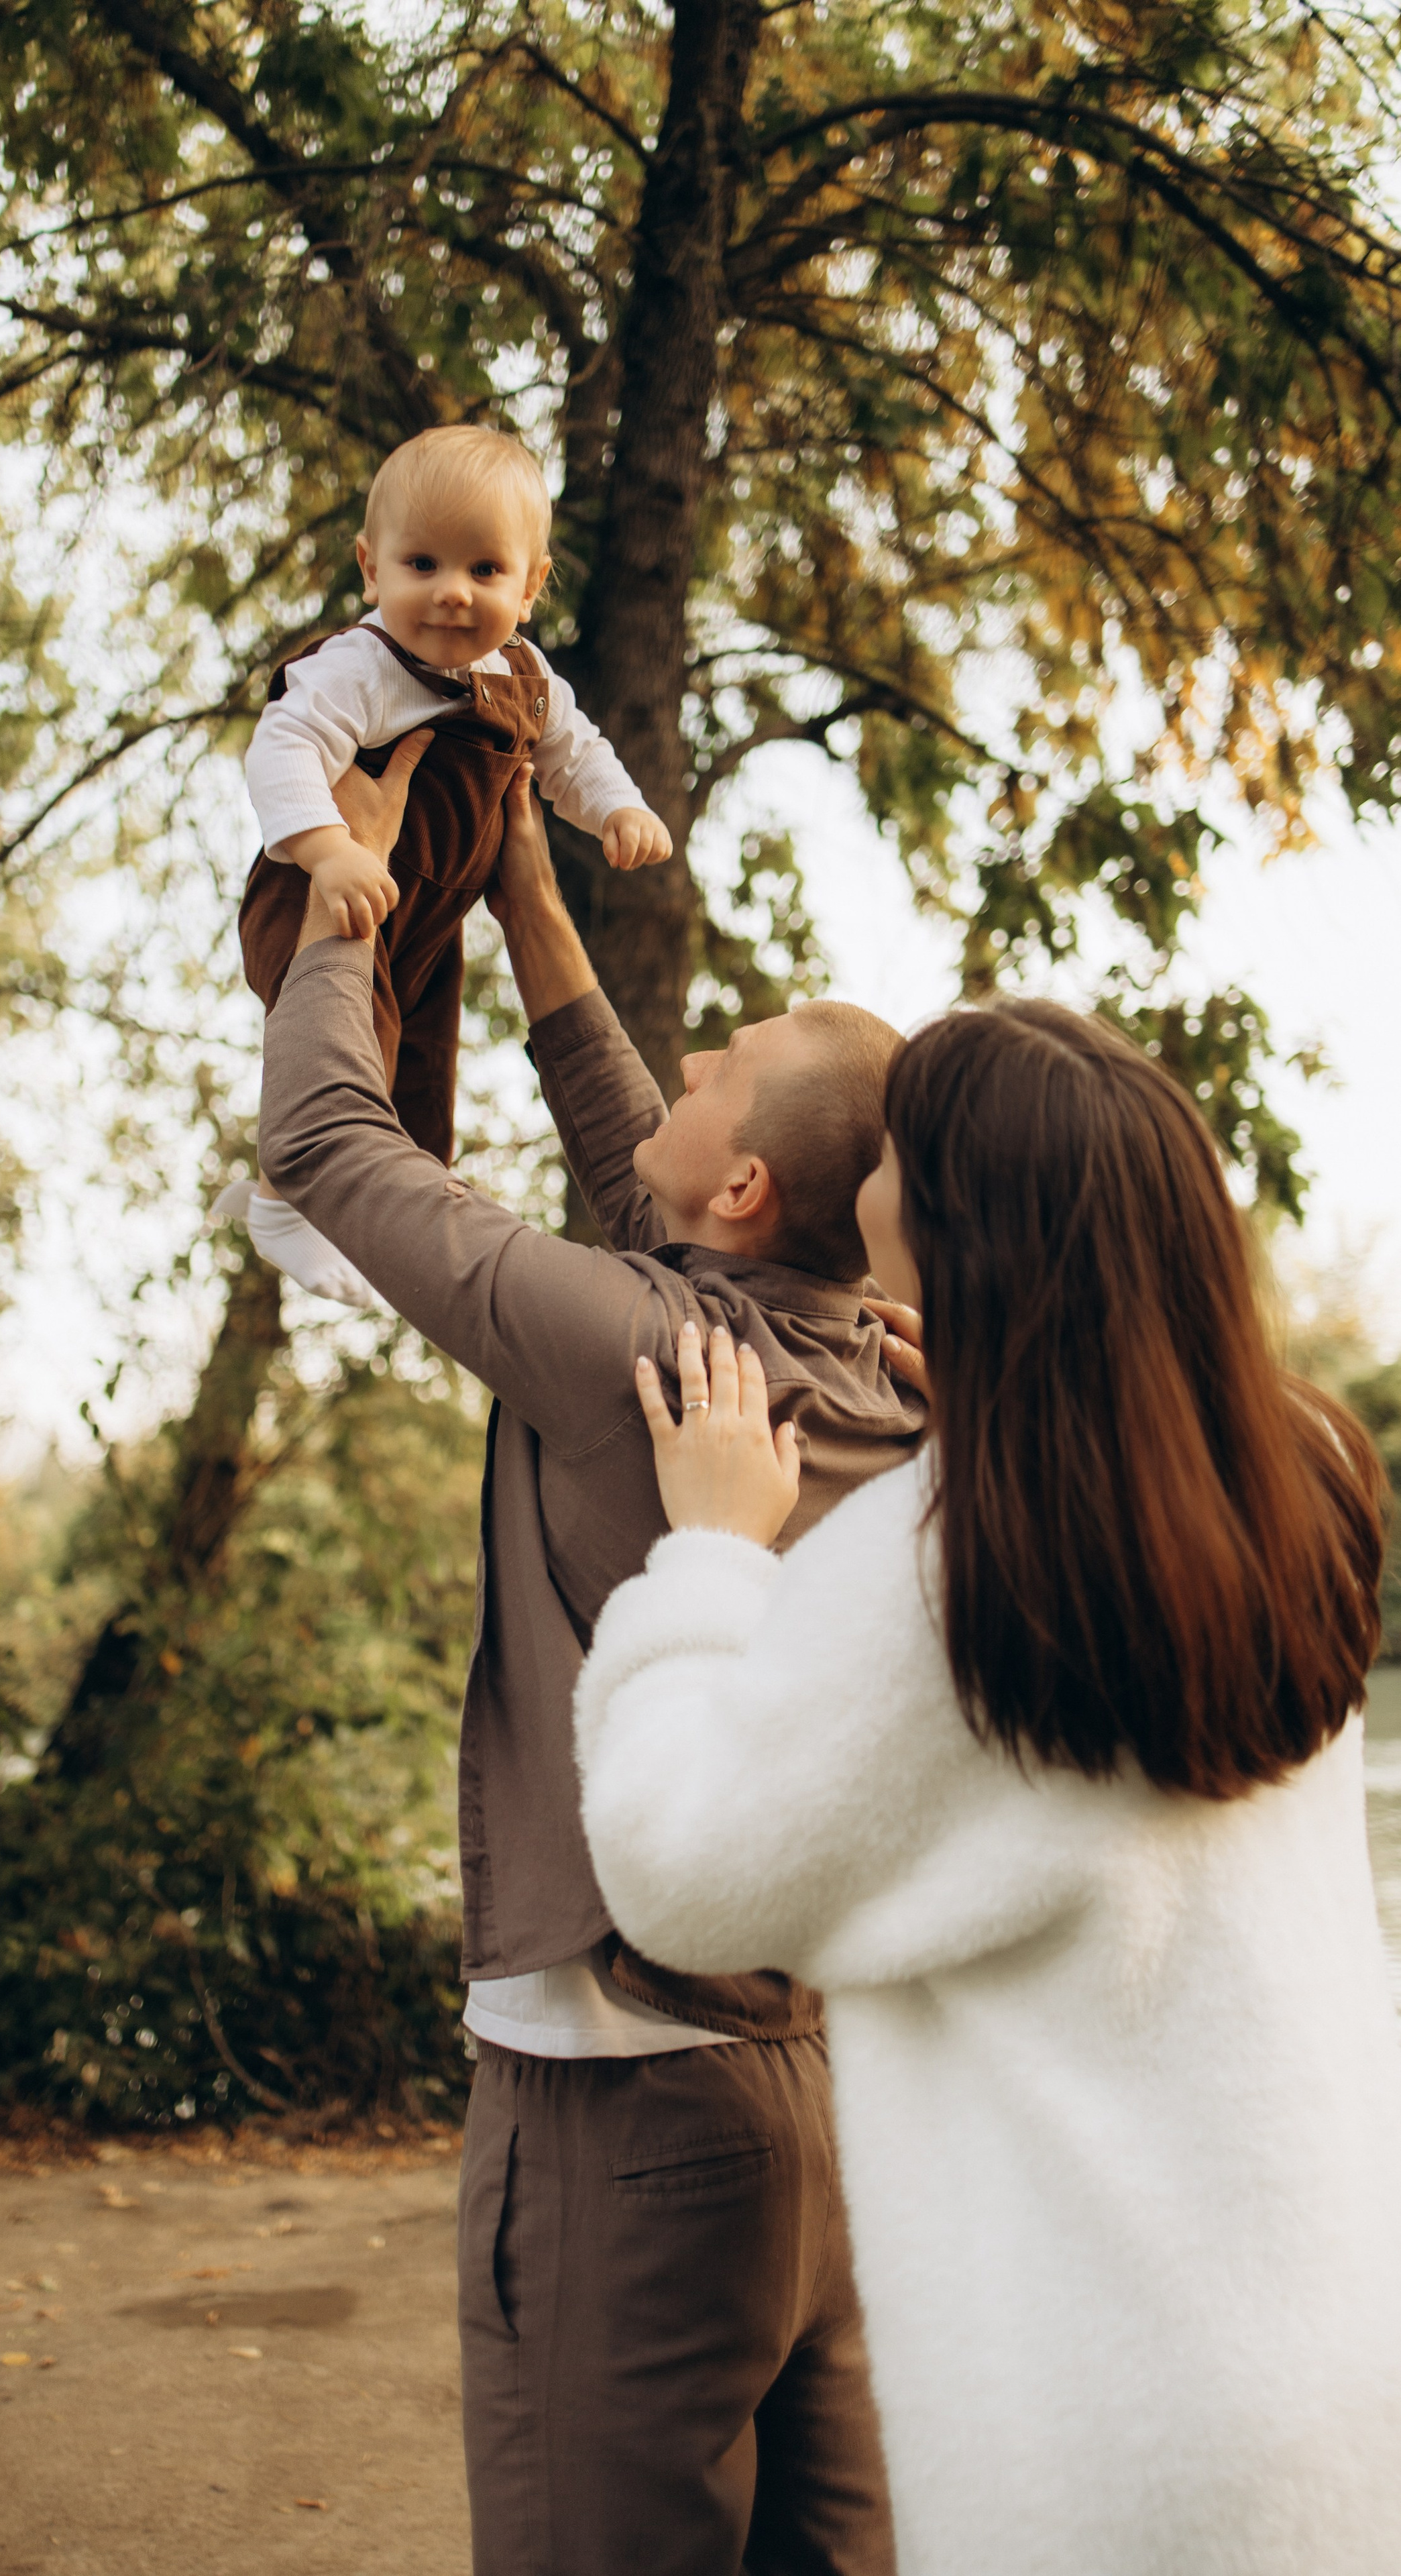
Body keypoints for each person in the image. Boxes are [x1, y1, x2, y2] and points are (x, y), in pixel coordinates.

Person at [573, 1000, 1401, 2576]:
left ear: (946, 1224)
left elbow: (675, 1872)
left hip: (1109, 2435)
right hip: (1337, 2352)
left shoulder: (941, 1580)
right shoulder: (1294, 1477)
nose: (862, 1172)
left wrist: (708, 1559)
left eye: (891, 1154)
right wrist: (1002, 1398)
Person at [249, 744, 926, 2573]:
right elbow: (664, 1193)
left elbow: (325, 1143)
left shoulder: (635, 1353)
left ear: (750, 1186)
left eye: (721, 1067)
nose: (683, 1060)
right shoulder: (880, 1373)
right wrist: (536, 906)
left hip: (620, 2097)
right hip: (811, 2096)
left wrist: (343, 908)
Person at [223, 422, 669, 1303]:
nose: (452, 594)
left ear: (532, 585)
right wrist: (328, 851)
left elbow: (575, 757)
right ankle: (282, 1201)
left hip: (427, 921)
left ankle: (382, 1234)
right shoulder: (359, 665)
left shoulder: (529, 679)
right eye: (421, 565)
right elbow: (281, 751)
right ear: (371, 567)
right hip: (326, 891)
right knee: (350, 1053)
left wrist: (618, 809)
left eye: (485, 570)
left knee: (420, 1085)